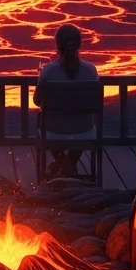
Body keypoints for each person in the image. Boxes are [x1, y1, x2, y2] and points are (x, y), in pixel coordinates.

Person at [33, 24, 99, 177]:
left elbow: (37, 101)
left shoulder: (48, 71)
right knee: (82, 123)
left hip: (54, 129)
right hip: (84, 128)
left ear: (57, 45)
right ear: (79, 44)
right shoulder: (90, 70)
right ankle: (69, 166)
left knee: (43, 121)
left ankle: (65, 165)